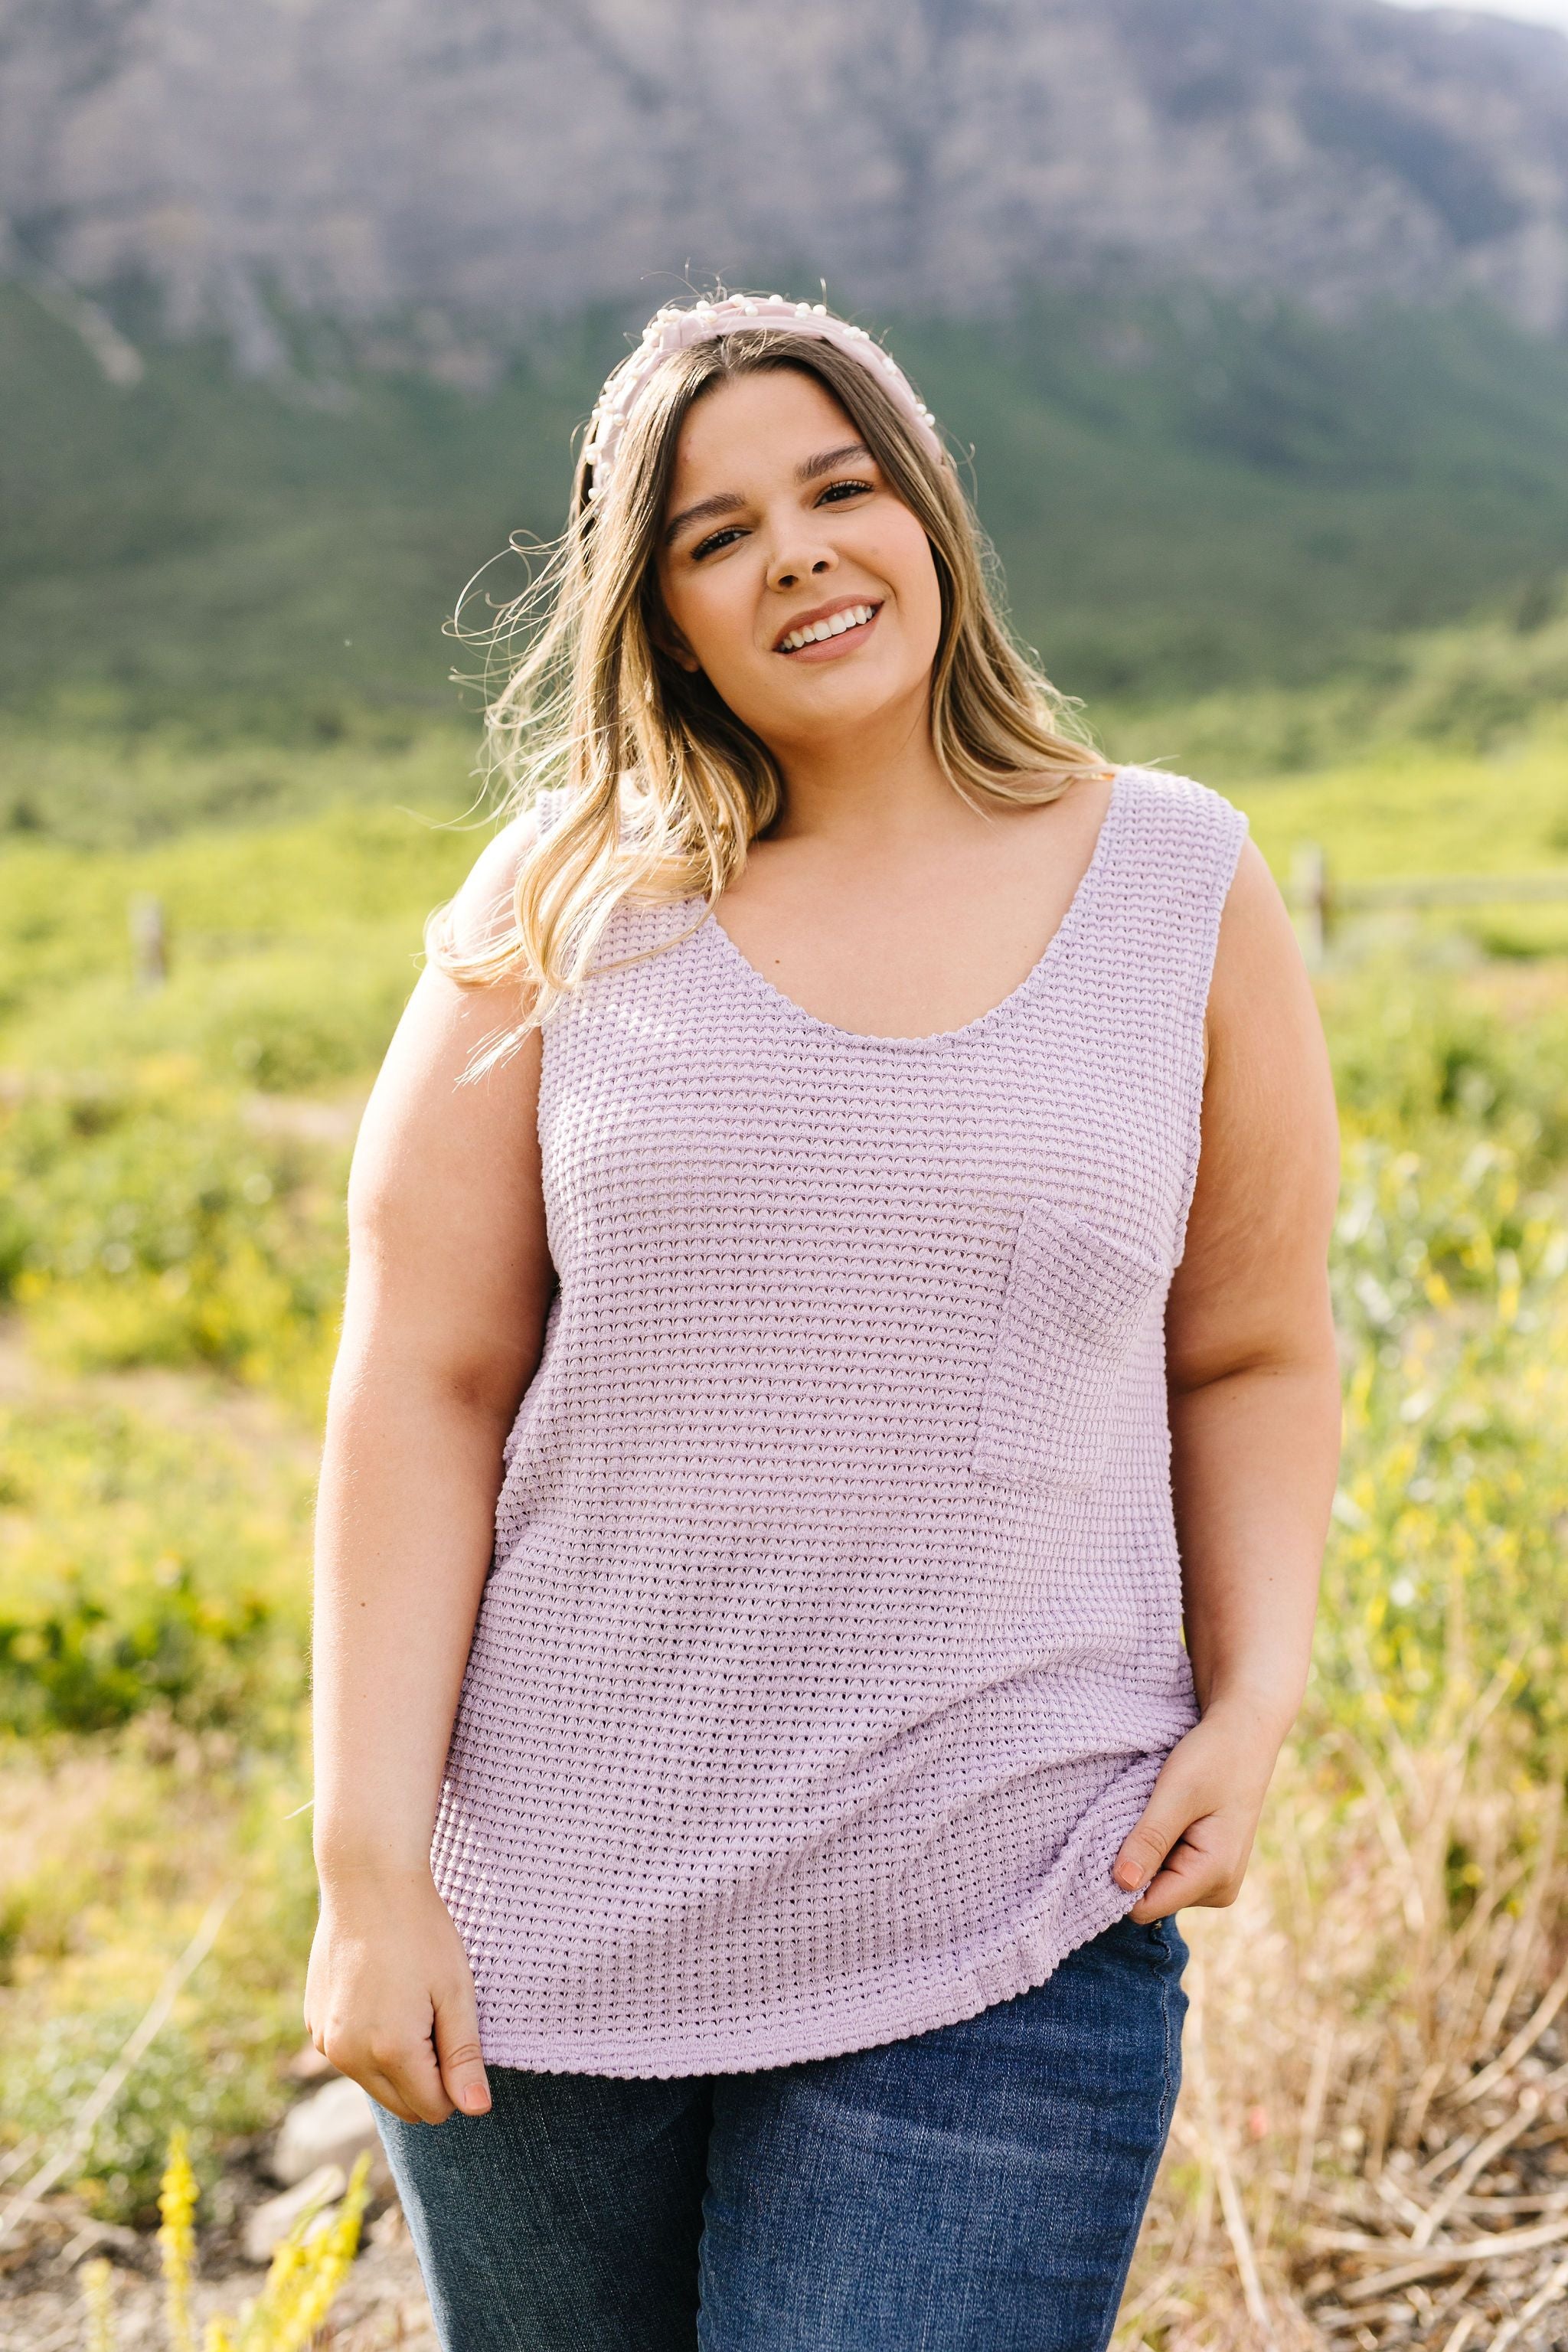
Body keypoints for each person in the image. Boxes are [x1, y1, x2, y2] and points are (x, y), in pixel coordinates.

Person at [304, 291, 1341, 2351]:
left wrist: (1259, 1692)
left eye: (840, 488)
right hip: (559, 1926)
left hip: (1016, 1903)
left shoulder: (1176, 880)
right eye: (716, 532)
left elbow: (1255, 1344)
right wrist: (367, 1870)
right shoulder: (557, 905)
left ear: (930, 513)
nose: (796, 552)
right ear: (660, 609)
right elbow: (420, 1388)